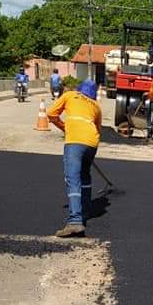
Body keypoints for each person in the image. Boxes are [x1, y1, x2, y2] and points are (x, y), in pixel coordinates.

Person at [47, 79, 102, 237]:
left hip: (75, 141)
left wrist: (65, 127)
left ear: (80, 89)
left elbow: (51, 114)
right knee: (85, 176)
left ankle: (75, 221)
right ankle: (85, 212)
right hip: (92, 142)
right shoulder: (96, 106)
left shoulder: (70, 95)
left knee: (73, 179)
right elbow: (98, 129)